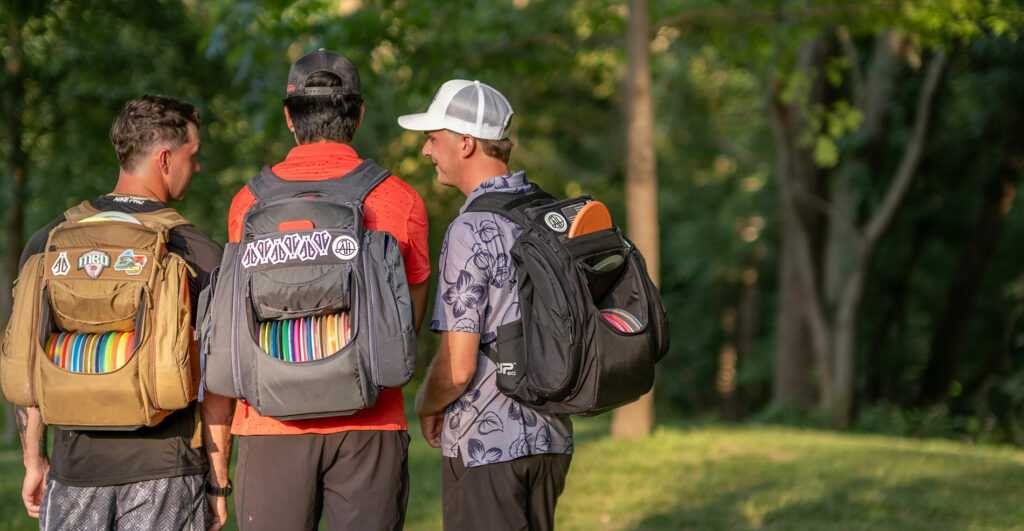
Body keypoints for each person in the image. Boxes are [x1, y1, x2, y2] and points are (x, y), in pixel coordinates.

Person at [225, 49, 430, 530]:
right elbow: (408, 317)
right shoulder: (399, 198)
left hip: (270, 420)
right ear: (357, 114)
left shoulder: (247, 202)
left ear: (288, 119)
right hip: (370, 421)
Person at [13, 95, 231, 530]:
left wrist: (34, 460)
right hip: (167, 474)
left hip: (74, 473)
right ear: (165, 159)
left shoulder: (49, 242)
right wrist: (218, 483)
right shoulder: (200, 253)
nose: (198, 167)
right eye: (194, 155)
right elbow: (218, 384)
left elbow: (29, 363)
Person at [399, 80, 574, 530]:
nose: (427, 151)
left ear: (466, 142)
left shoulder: (471, 229)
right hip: (551, 439)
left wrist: (425, 402)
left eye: (433, 139)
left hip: (486, 444)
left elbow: (459, 368)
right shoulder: (550, 214)